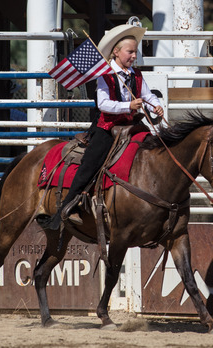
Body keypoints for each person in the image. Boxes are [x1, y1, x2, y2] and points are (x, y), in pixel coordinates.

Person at [49, 24, 164, 230]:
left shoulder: (135, 75)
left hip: (131, 125)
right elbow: (103, 104)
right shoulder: (105, 74)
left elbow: (147, 95)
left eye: (135, 52)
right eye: (130, 52)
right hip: (108, 127)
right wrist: (128, 105)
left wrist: (155, 105)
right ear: (116, 52)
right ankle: (67, 208)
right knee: (90, 163)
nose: (133, 56)